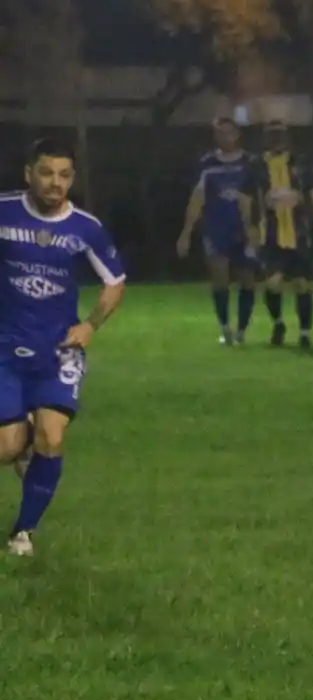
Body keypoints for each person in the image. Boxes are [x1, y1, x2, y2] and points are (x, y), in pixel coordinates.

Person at [0, 138, 126, 557]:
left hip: (59, 351)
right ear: (28, 174)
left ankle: (23, 533)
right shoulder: (5, 211)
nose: (56, 183)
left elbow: (115, 281)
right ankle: (21, 445)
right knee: (7, 446)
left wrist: (90, 324)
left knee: (52, 440)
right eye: (47, 173)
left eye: (65, 175)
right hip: (5, 348)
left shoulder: (86, 227)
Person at [245, 120, 313, 349]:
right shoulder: (256, 165)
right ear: (265, 138)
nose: (276, 139)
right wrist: (250, 226)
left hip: (298, 232)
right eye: (271, 135)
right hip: (269, 234)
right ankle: (279, 323)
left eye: (280, 134)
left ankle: (304, 333)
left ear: (287, 137)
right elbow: (248, 197)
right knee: (273, 283)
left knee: (302, 284)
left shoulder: (300, 163)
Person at [175, 116, 257, 345]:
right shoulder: (207, 164)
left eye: (229, 132)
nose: (225, 137)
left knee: (247, 279)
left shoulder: (250, 162)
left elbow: (257, 196)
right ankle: (225, 328)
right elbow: (196, 199)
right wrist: (186, 232)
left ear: (237, 134)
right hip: (216, 229)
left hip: (244, 229)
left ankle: (241, 330)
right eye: (220, 133)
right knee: (219, 277)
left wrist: (256, 226)